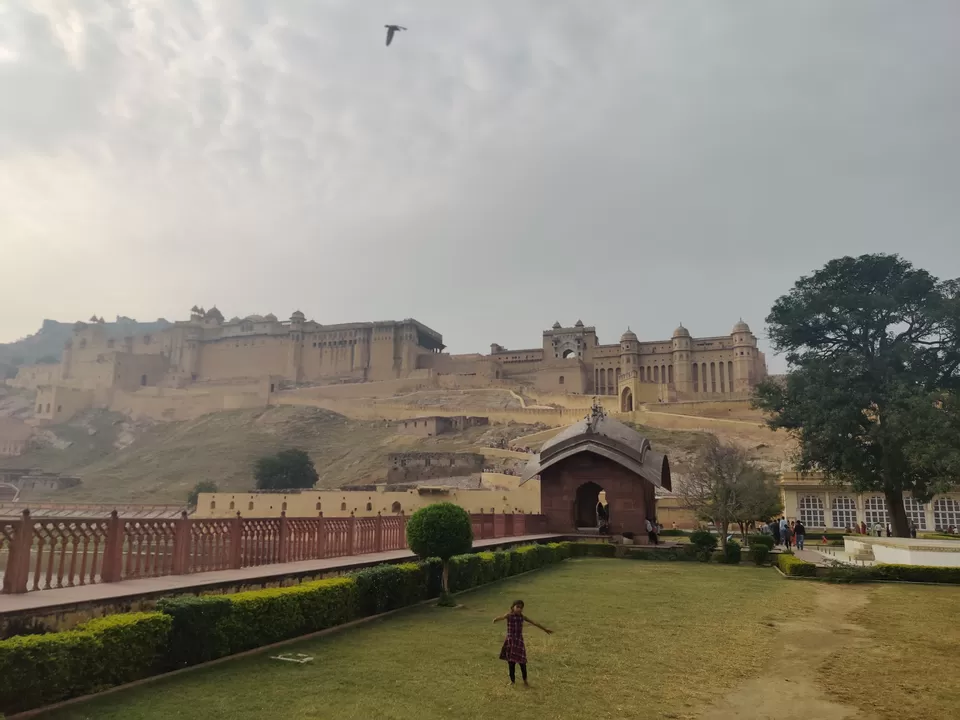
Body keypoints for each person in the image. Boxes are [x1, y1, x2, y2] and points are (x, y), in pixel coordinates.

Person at [494, 600, 552, 686]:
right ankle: (512, 681)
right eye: (517, 607)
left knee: (522, 663)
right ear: (513, 607)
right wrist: (496, 619)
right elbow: (502, 617)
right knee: (511, 663)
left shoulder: (522, 617)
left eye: (521, 608)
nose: (519, 609)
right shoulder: (509, 615)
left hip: (519, 642)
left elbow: (534, 623)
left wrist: (545, 629)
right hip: (510, 641)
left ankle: (525, 680)